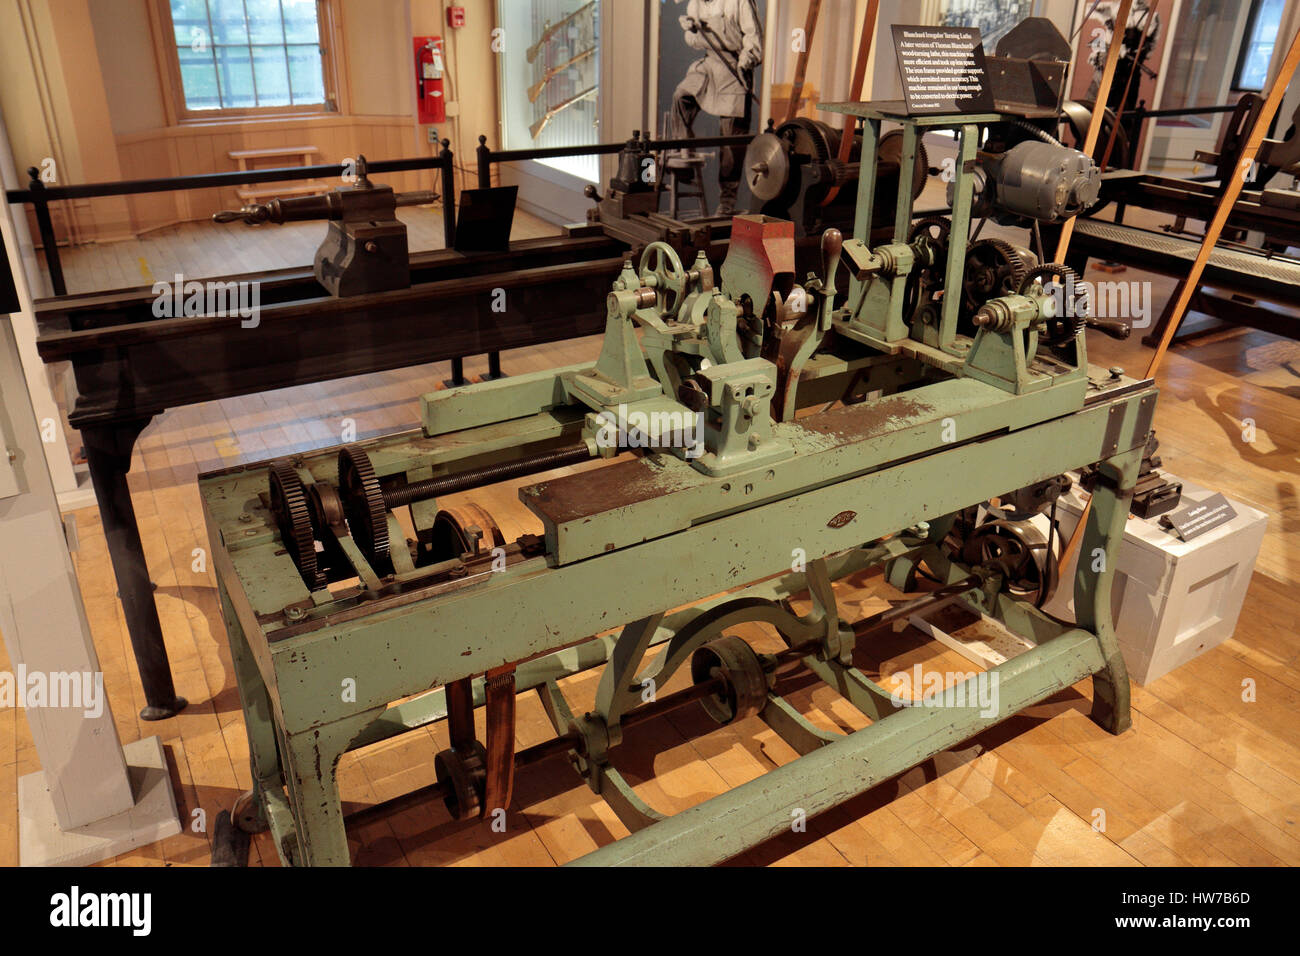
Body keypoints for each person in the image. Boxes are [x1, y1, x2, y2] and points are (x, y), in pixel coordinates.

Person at [671, 0, 764, 215]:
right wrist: (691, 31)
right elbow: (694, 42)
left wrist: (746, 62)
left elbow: (754, 39)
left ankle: (727, 201)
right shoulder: (696, 3)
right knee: (681, 96)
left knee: (731, 140)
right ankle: (684, 152)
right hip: (710, 64)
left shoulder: (739, 2)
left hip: (734, 66)